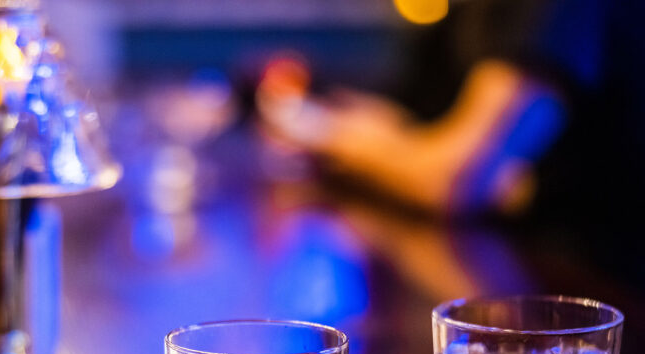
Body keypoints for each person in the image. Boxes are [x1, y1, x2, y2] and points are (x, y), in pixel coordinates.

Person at [257, 0, 645, 283]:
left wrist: (319, 130)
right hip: (513, 281)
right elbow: (415, 128)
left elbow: (456, 180)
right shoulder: (453, 12)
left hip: (593, 307)